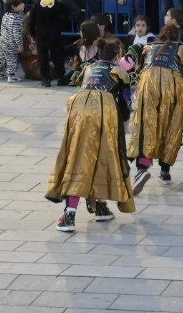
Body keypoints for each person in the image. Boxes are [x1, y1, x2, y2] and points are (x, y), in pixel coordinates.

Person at [46, 34, 137, 231]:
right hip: (103, 113)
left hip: (77, 112)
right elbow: (126, 102)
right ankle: (71, 214)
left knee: (78, 156)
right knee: (102, 158)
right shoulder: (119, 71)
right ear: (117, 55)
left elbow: (78, 84)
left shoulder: (88, 68)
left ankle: (97, 206)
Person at [129, 24, 183, 184]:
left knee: (147, 125)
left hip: (148, 84)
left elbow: (138, 66)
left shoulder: (148, 46)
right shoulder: (181, 47)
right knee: (170, 126)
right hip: (172, 86)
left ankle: (142, 169)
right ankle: (165, 170)